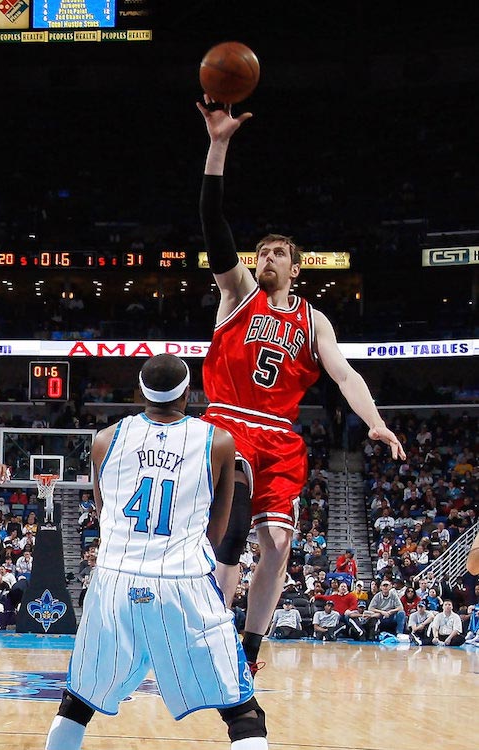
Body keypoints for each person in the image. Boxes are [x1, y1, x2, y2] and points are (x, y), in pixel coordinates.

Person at [196, 95, 406, 672]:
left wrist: (377, 422)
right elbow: (214, 225)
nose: (266, 257)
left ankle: (250, 645)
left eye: (278, 253)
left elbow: (343, 374)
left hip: (280, 437)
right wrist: (219, 146)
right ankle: (210, 631)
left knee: (280, 544)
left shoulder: (314, 321)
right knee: (232, 527)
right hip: (227, 424)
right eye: (261, 251)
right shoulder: (238, 293)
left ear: (296, 267)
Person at [45, 354, 268, 750]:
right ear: (187, 391)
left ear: (141, 390)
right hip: (182, 580)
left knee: (77, 702)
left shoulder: (104, 439)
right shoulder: (217, 441)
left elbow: (104, 512)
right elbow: (216, 532)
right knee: (242, 712)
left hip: (114, 580)